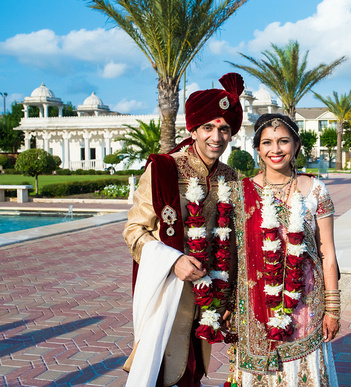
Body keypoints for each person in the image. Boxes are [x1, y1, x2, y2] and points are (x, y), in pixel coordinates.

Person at [122, 73, 244, 387]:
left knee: (194, 373)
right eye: (208, 128)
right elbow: (134, 230)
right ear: (192, 129)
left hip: (211, 296)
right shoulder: (164, 168)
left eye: (224, 129)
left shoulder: (230, 177)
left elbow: (234, 240)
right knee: (163, 371)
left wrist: (229, 300)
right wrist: (173, 261)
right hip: (169, 291)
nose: (216, 137)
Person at [229, 113, 340, 386]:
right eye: (267, 142)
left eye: (283, 141)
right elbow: (234, 257)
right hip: (255, 309)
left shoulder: (315, 190)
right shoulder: (240, 193)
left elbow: (327, 253)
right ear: (257, 148)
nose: (275, 149)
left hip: (305, 302)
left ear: (296, 145)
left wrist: (333, 308)